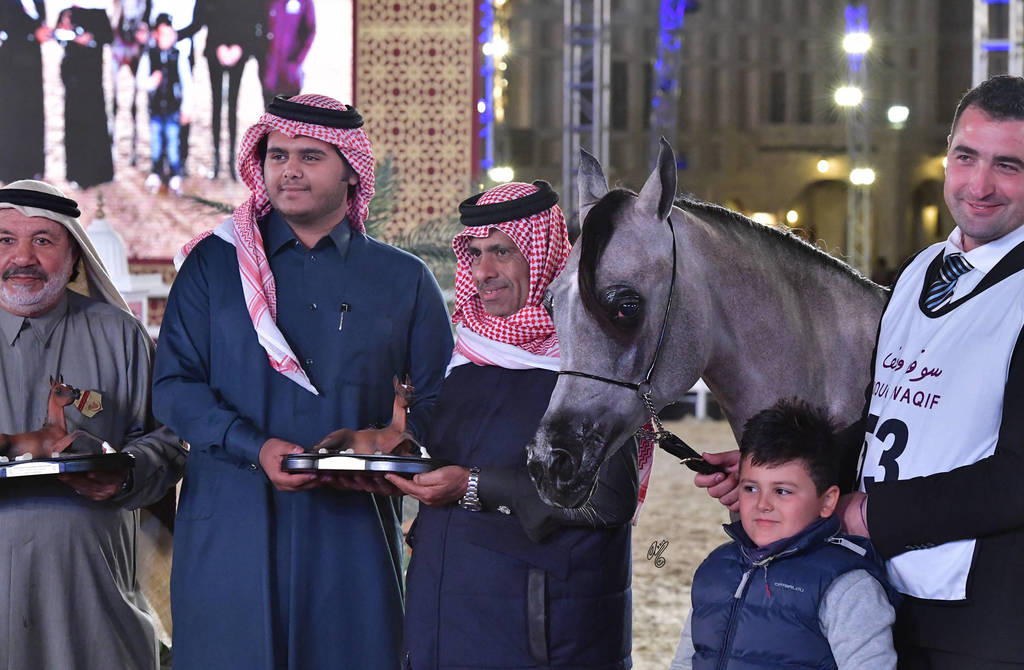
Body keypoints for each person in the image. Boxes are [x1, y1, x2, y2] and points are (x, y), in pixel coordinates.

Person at [699, 74, 1024, 669]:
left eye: (1010, 165)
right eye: (966, 156)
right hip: (879, 594)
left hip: (986, 623)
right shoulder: (920, 271)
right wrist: (781, 473)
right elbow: (888, 419)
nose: (980, 184)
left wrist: (872, 513)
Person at [152, 93, 454, 670]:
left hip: (351, 533)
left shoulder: (402, 279)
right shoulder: (214, 266)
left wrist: (391, 448)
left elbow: (440, 400)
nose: (288, 169)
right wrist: (254, 446)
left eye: (310, 156)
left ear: (351, 171)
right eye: (277, 154)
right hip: (230, 522)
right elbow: (173, 386)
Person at [389, 181, 637, 670]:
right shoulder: (466, 355)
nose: (483, 271)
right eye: (475, 252)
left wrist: (476, 485)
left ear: (542, 254)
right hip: (445, 622)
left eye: (502, 251)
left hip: (545, 634)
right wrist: (399, 443)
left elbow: (609, 499)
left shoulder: (587, 360)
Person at [0, 179, 185, 669]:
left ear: (75, 256)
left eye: (43, 240)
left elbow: (168, 442)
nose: (22, 258)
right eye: (4, 240)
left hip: (94, 597)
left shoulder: (119, 336)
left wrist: (125, 473)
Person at [670, 399, 897, 670]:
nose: (762, 504)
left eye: (782, 491)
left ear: (827, 501)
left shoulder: (847, 586)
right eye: (751, 488)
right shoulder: (715, 569)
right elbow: (685, 662)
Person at [179, 0, 267, 179]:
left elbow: (255, 20)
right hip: (215, 50)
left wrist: (240, 48)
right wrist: (217, 46)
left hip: (238, 52)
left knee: (233, 105)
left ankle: (230, 161)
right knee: (216, 105)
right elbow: (201, 19)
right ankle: (217, 160)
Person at [55, 3, 114, 189]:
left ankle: (101, 173)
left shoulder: (99, 12)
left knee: (95, 119)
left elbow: (108, 36)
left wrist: (91, 38)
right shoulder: (67, 11)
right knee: (75, 122)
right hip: (73, 75)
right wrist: (65, 31)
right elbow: (57, 34)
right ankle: (77, 174)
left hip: (92, 75)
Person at [137, 12, 194, 194]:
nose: (168, 39)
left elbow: (187, 84)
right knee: (155, 142)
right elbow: (140, 80)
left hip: (173, 109)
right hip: (155, 109)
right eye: (163, 35)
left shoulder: (179, 57)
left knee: (172, 143)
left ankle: (175, 173)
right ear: (156, 35)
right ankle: (156, 171)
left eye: (171, 35)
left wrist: (186, 108)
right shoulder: (149, 55)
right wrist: (150, 82)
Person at [0, 0, 48, 183]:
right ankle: (11, 171)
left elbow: (40, 23)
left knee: (33, 112)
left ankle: (34, 167)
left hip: (33, 61)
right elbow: (6, 26)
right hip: (11, 63)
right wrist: (32, 33)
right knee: (12, 116)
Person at [262, 0, 316, 105]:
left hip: (290, 73)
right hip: (269, 71)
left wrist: (297, 61)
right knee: (270, 114)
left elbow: (310, 31)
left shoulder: (304, 2)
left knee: (291, 114)